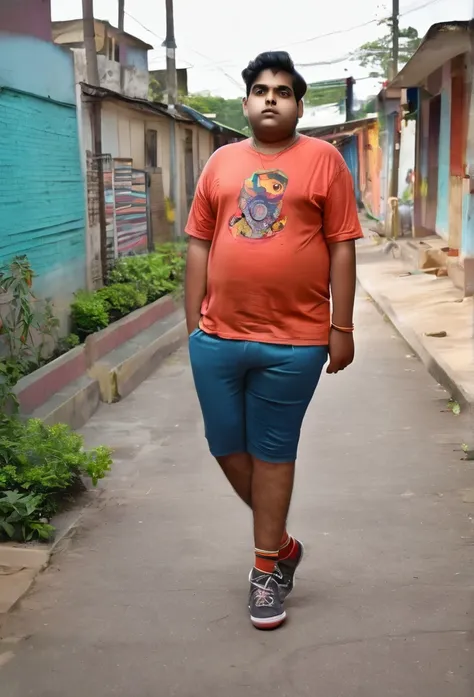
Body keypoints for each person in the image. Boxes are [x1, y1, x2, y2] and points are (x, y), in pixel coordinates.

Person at [184, 51, 362, 630]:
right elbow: (198, 244)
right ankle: (283, 544)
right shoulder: (220, 163)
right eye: (260, 89)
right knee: (225, 448)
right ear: (245, 102)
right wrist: (193, 325)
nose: (270, 98)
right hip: (217, 335)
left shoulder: (325, 161)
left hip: (296, 341)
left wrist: (342, 326)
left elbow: (340, 243)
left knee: (273, 451)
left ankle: (265, 571)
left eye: (282, 91)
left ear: (298, 104)